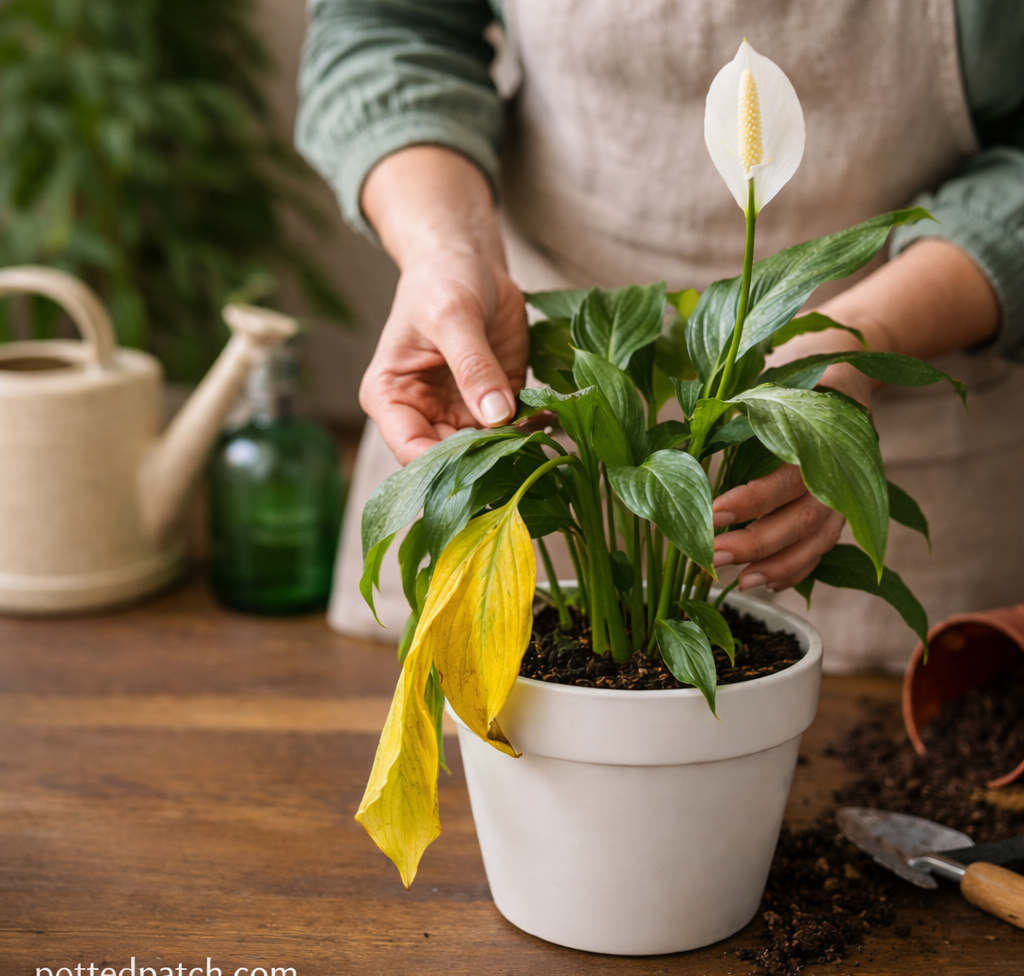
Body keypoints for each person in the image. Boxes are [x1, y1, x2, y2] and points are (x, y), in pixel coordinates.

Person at [297, 0, 1024, 673]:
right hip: (526, 367)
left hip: (917, 407)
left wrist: (853, 349)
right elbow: (388, 24)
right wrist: (444, 250)